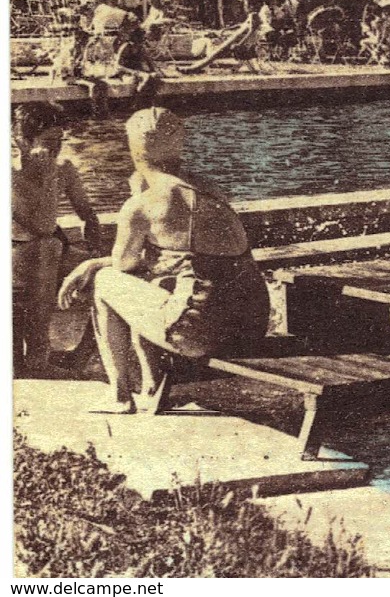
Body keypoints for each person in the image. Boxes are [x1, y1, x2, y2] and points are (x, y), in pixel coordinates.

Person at [56, 109, 269, 412]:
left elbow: (123, 266)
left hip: (200, 335)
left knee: (106, 282)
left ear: (133, 150)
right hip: (251, 328)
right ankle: (152, 385)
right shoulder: (211, 189)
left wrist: (89, 264)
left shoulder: (143, 205)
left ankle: (119, 396)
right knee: (155, 280)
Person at [13, 104, 103, 375]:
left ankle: (77, 358)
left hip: (45, 254)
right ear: (23, 141)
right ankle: (34, 360)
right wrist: (43, 176)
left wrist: (94, 254)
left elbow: (88, 216)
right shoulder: (11, 173)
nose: (56, 149)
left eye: (60, 141)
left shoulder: (63, 168)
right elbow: (40, 225)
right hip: (16, 254)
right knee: (42, 247)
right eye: (49, 142)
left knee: (106, 276)